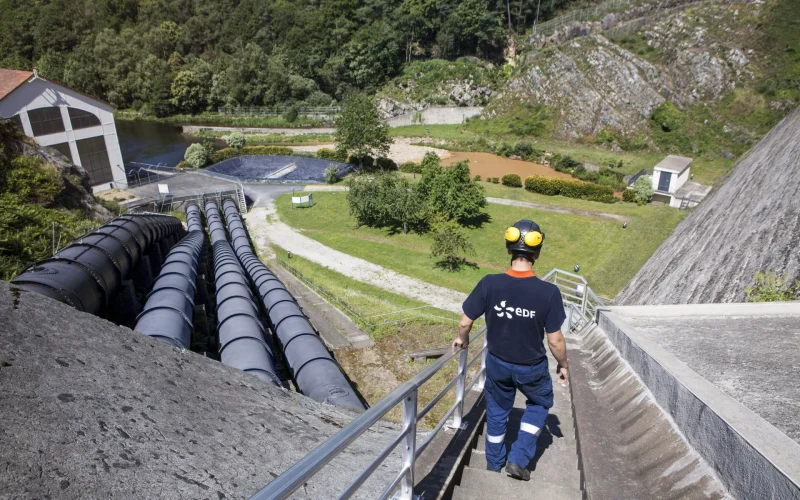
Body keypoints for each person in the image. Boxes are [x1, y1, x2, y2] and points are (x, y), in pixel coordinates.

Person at [453, 219, 568, 481]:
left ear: (508, 249)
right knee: (539, 403)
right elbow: (555, 341)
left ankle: (494, 463)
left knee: (496, 411)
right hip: (532, 367)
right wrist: (563, 365)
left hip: (498, 363)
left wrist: (462, 339)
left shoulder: (489, 283)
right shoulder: (549, 292)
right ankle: (517, 460)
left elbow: (464, 321)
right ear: (536, 254)